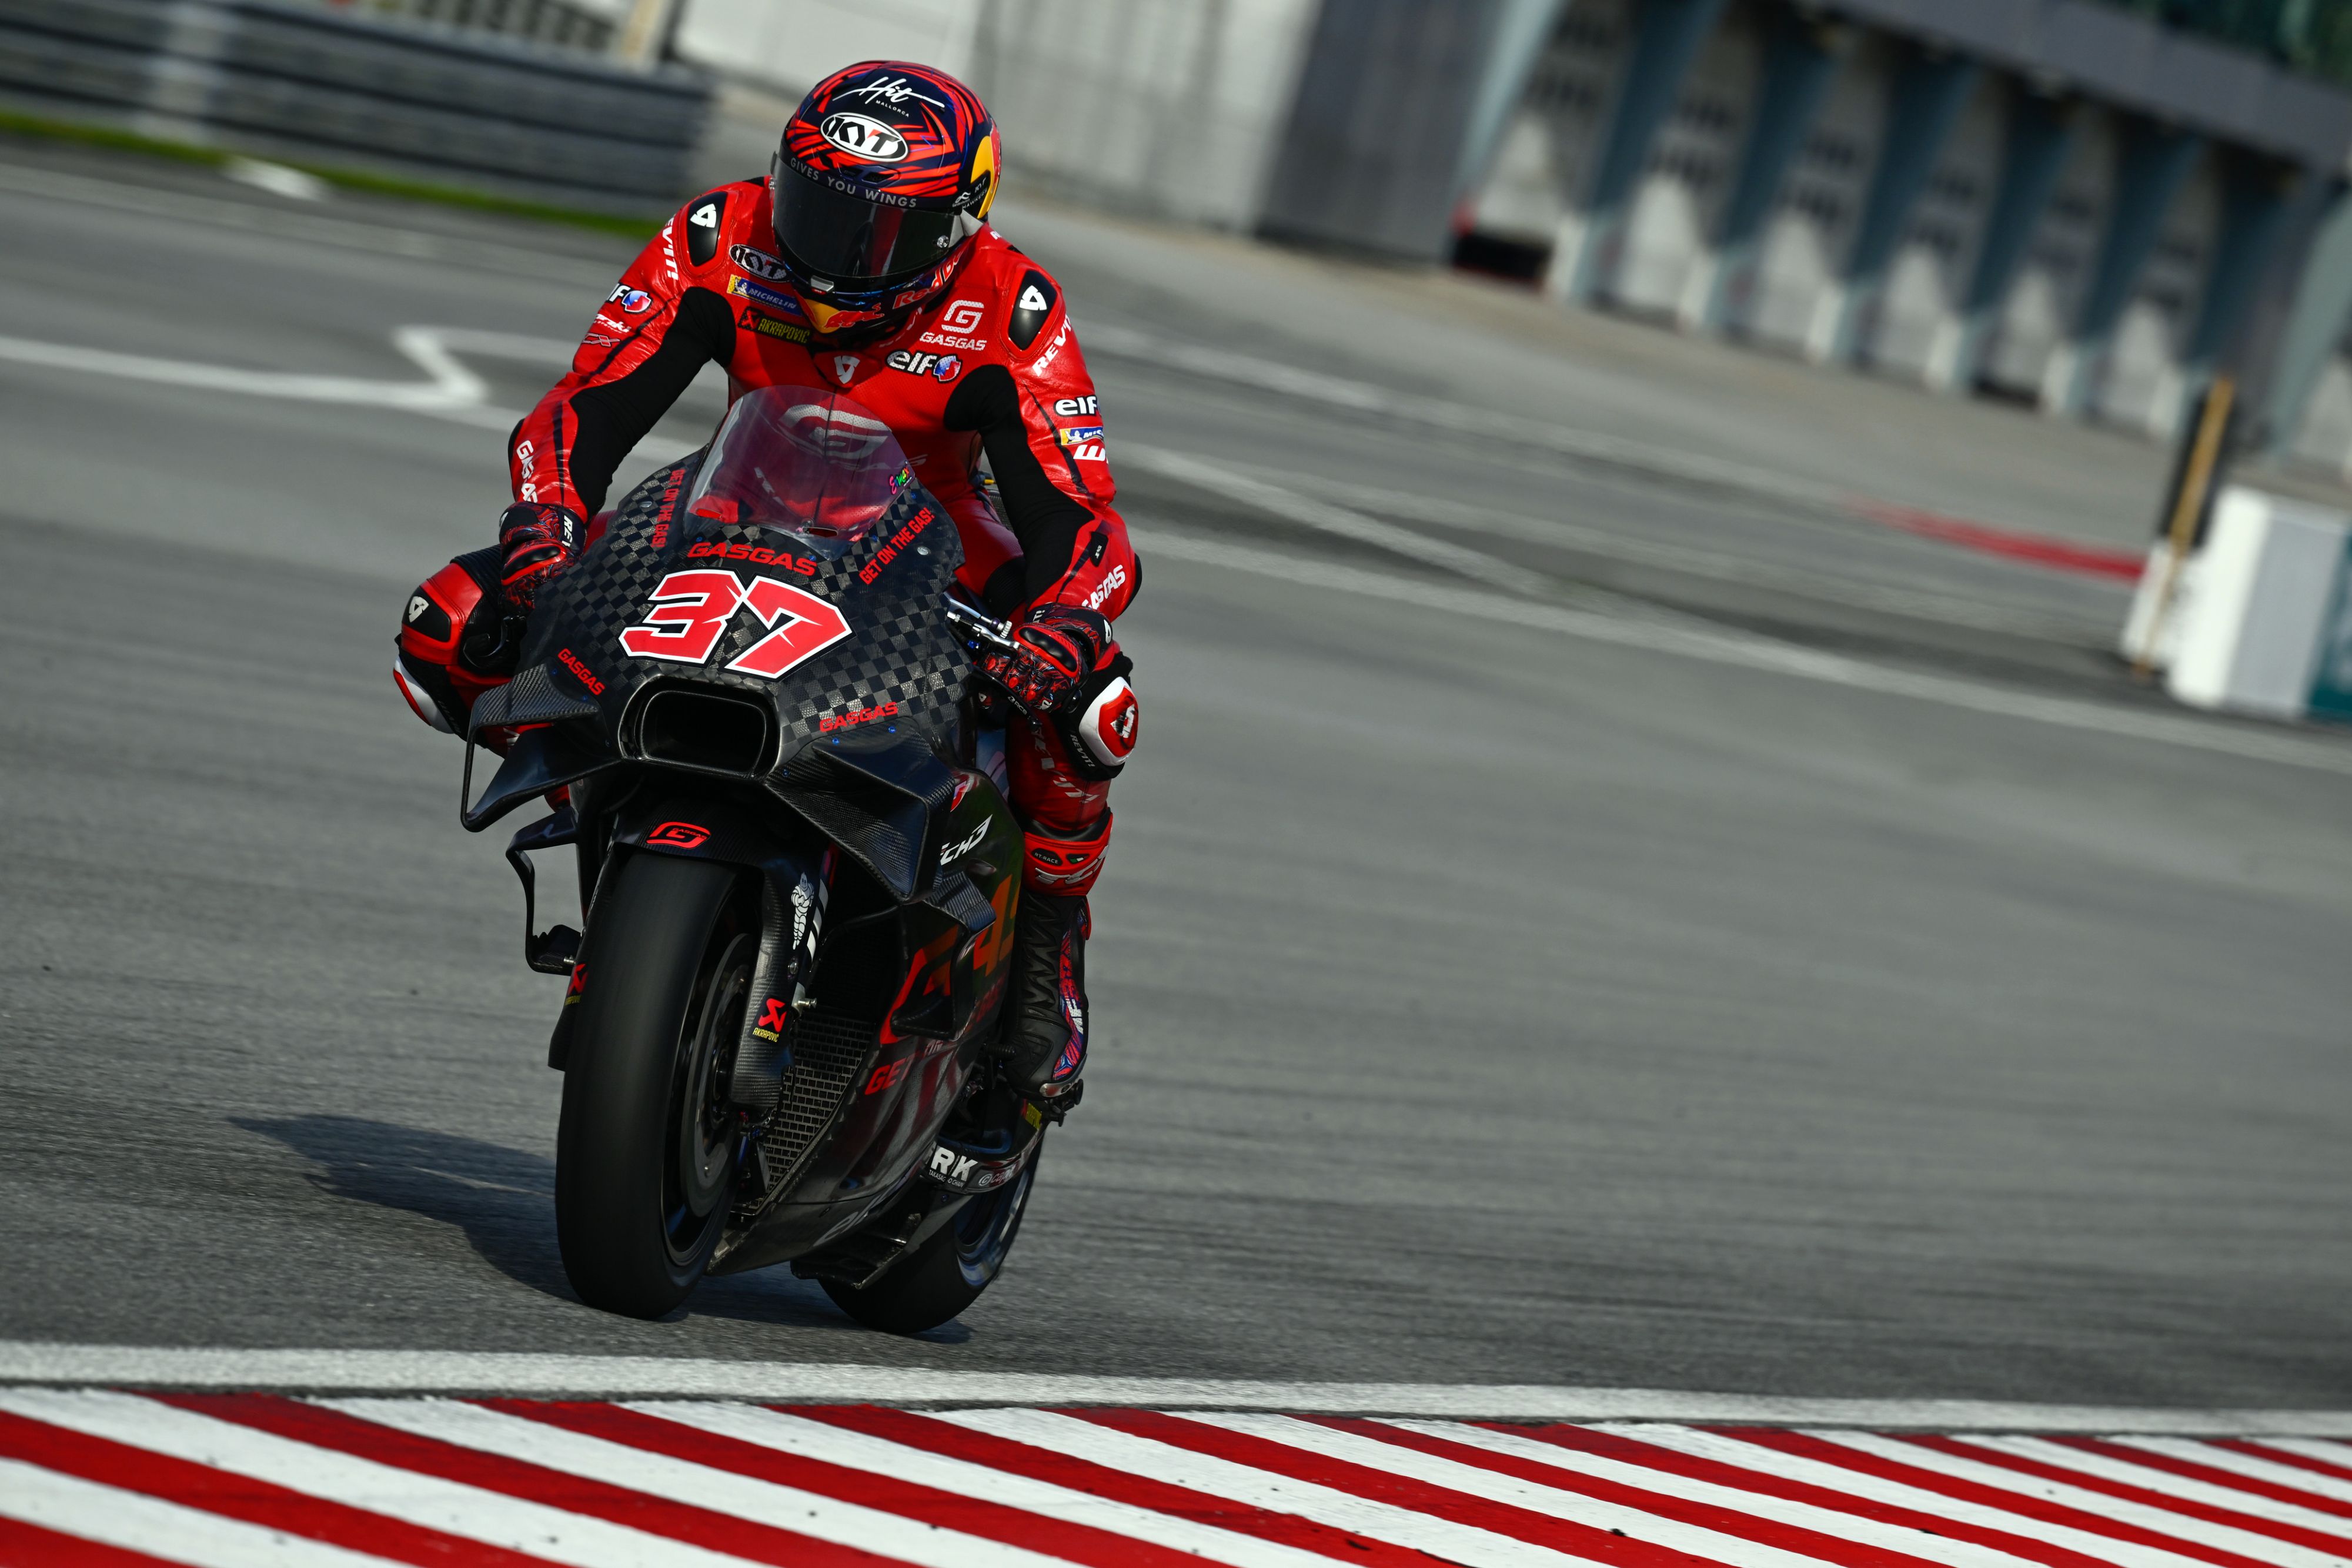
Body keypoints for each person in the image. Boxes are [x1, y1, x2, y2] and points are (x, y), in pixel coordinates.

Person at [393, 60, 1138, 1108]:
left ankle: (1048, 952)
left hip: (930, 542)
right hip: (736, 501)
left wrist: (1061, 624)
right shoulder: (719, 235)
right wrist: (542, 526)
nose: (835, 257)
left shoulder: (1011, 307)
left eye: (883, 233)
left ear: (960, 225)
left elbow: (1080, 517)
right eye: (816, 209)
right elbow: (586, 405)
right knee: (456, 623)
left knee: (1091, 702)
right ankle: (612, 805)